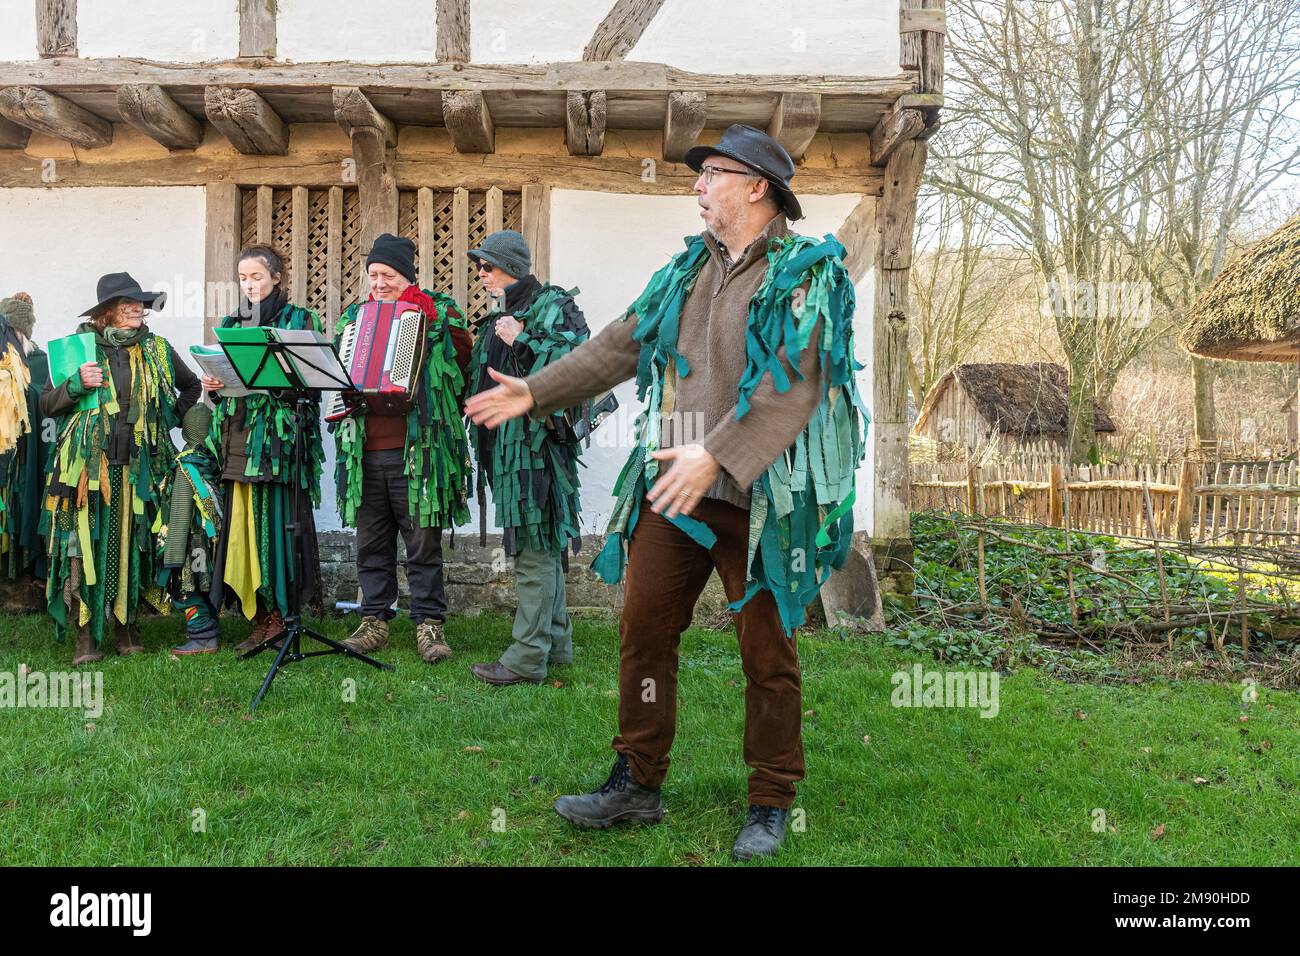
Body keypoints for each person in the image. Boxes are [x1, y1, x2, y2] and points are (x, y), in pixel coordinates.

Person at [466, 125, 865, 860]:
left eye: (711, 173)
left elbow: (794, 382)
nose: (697, 185)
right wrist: (537, 389)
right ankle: (638, 782)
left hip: (763, 499)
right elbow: (620, 342)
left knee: (766, 655)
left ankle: (771, 798)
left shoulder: (809, 273)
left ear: (756, 187)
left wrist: (717, 457)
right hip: (675, 491)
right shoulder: (686, 272)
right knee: (644, 634)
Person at [169, 245, 327, 656]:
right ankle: (259, 616)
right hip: (238, 441)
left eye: (256, 276)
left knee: (276, 527)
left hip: (279, 444)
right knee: (244, 531)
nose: (249, 284)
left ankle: (282, 616)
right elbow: (221, 397)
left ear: (276, 277)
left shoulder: (299, 320)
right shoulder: (230, 324)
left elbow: (311, 386)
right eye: (243, 278)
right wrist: (213, 388)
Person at [40, 273, 202, 664]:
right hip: (85, 472)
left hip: (136, 470)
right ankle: (85, 634)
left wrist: (169, 421)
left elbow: (192, 386)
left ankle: (125, 626)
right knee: (83, 547)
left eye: (140, 302)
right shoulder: (77, 349)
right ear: (104, 314)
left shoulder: (157, 349)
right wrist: (76, 385)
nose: (137, 308)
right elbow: (47, 405)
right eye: (127, 302)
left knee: (130, 546)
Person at [333, 234, 474, 662]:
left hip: (419, 451)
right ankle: (373, 620)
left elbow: (461, 366)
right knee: (371, 543)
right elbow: (341, 372)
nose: (378, 283)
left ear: (407, 276)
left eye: (388, 275)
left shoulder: (439, 311)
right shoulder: (356, 319)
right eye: (373, 275)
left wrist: (435, 331)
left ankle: (430, 626)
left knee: (422, 543)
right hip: (366, 452)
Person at [464, 230, 589, 686]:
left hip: (537, 453)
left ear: (511, 266)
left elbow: (579, 359)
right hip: (506, 453)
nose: (481, 274)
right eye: (478, 266)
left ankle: (525, 657)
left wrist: (524, 339)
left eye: (487, 266)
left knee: (535, 548)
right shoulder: (497, 317)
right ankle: (556, 644)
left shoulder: (549, 304)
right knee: (545, 547)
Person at [0, 293, 51, 599]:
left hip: (28, 459)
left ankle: (23, 582)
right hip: (8, 459)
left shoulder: (41, 362)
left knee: (22, 511)